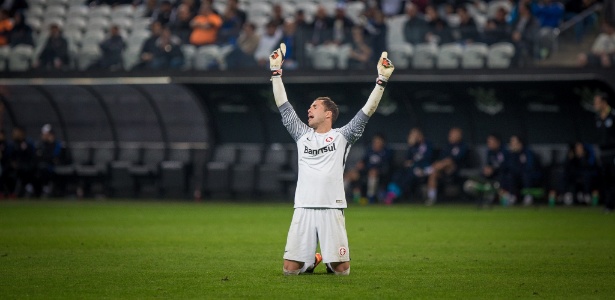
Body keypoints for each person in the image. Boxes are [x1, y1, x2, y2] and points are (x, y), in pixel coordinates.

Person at [270, 43, 394, 275]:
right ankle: (313, 260)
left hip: (331, 206)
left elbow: (367, 111)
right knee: (289, 271)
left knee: (341, 271)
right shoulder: (302, 135)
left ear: (328, 114)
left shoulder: (342, 136)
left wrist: (381, 81)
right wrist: (276, 72)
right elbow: (284, 108)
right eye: (309, 106)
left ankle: (328, 260)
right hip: (304, 206)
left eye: (314, 106)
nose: (309, 109)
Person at [384, 127, 434, 204]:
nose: (413, 137)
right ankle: (391, 193)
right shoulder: (413, 146)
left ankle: (395, 195)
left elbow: (428, 158)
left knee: (408, 176)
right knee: (398, 174)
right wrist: (411, 146)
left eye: (414, 134)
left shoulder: (427, 144)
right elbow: (408, 159)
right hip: (413, 168)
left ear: (420, 135)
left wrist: (416, 163)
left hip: (425, 169)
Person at [344, 133, 393, 204]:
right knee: (349, 175)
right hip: (366, 172)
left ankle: (371, 197)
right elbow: (363, 162)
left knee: (372, 173)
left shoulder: (387, 152)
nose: (376, 144)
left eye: (378, 142)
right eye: (375, 142)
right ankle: (340, 197)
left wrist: (377, 171)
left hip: (380, 174)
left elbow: (387, 167)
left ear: (382, 143)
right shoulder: (370, 151)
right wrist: (360, 165)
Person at [425, 127, 468, 205]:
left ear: (459, 135)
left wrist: (444, 163)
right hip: (443, 171)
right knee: (433, 174)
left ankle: (429, 169)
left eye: (454, 134)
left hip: (456, 170)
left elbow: (457, 159)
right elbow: (441, 158)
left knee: (449, 162)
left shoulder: (463, 146)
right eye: (451, 134)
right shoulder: (447, 146)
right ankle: (431, 198)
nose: (451, 136)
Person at [499, 135, 542, 206]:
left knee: (526, 175)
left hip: (530, 176)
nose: (511, 144)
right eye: (511, 142)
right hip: (516, 177)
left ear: (520, 143)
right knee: (509, 176)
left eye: (513, 142)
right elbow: (505, 167)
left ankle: (528, 196)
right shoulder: (510, 154)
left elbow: (529, 167)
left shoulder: (528, 152)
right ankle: (512, 196)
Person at [593, 93, 615, 212]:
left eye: (597, 102)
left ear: (604, 103)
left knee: (613, 178)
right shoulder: (597, 118)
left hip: (613, 152)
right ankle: (608, 205)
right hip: (603, 153)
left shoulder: (613, 116)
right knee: (605, 180)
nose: (595, 105)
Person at [35, 124, 67, 197]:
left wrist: (48, 158)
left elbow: (56, 158)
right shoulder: (41, 144)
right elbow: (39, 156)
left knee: (44, 169)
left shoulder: (58, 144)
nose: (44, 136)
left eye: (46, 134)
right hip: (44, 165)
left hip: (54, 166)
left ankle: (47, 189)